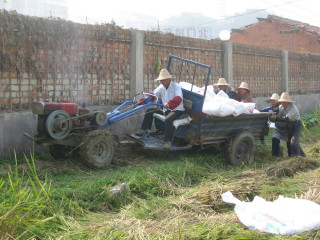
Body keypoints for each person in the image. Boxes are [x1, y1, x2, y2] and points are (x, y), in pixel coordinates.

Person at [135, 69, 185, 148]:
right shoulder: (161, 87)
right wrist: (142, 101)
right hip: (166, 109)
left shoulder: (176, 86)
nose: (162, 82)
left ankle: (167, 141)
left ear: (169, 79)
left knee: (168, 119)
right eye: (161, 81)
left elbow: (179, 99)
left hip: (176, 110)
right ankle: (144, 129)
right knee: (149, 111)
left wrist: (169, 104)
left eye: (163, 80)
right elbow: (153, 96)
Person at [270, 92, 305, 157]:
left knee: (294, 142)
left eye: (284, 102)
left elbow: (286, 118)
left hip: (296, 125)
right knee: (289, 142)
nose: (283, 104)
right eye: (282, 102)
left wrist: (276, 118)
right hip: (289, 125)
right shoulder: (281, 107)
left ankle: (298, 158)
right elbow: (276, 112)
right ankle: (293, 156)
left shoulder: (293, 108)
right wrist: (272, 114)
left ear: (288, 102)